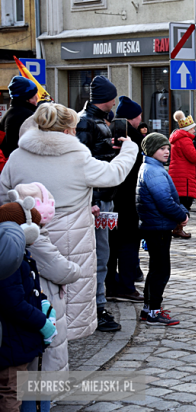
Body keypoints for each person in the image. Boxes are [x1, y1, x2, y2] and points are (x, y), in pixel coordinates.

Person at [0, 103, 136, 341]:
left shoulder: (17, 157)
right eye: (73, 128)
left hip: (29, 235)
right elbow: (113, 174)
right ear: (65, 131)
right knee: (68, 301)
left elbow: (4, 198)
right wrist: (129, 149)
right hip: (72, 238)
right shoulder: (78, 158)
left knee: (33, 297)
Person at [74, 75, 124, 332]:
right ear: (107, 98)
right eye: (113, 96)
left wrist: (112, 148)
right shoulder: (85, 121)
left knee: (102, 254)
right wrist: (93, 200)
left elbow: (96, 155)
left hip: (105, 197)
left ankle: (97, 303)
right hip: (96, 201)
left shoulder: (99, 120)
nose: (115, 100)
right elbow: (83, 165)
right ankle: (97, 306)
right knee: (98, 255)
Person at [15, 183, 80, 376]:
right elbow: (64, 270)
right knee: (46, 360)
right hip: (45, 301)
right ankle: (40, 402)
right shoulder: (35, 240)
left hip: (41, 300)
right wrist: (75, 267)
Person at [0, 209, 56, 412]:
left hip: (16, 339)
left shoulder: (20, 256)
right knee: (11, 391)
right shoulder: (9, 260)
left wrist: (42, 302)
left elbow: (30, 290)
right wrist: (42, 323)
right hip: (12, 342)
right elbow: (13, 303)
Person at [136, 133, 188, 326]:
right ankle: (153, 312)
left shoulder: (152, 167)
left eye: (167, 148)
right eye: (161, 149)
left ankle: (149, 309)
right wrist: (182, 216)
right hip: (157, 226)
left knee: (156, 268)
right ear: (151, 150)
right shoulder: (153, 170)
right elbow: (165, 201)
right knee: (161, 270)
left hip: (155, 225)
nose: (167, 152)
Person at [107, 96, 145, 303]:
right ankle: (127, 286)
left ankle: (111, 284)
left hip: (109, 199)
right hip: (129, 200)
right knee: (129, 244)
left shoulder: (108, 134)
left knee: (111, 245)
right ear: (134, 117)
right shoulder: (135, 140)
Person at [168, 110, 196, 238]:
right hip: (184, 178)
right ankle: (178, 228)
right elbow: (193, 157)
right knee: (184, 205)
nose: (193, 131)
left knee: (179, 203)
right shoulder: (185, 140)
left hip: (179, 175)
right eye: (192, 129)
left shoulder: (178, 138)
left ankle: (176, 228)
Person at [0, 76, 39, 159]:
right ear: (28, 98)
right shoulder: (27, 116)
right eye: (35, 94)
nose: (37, 97)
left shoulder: (9, 114)